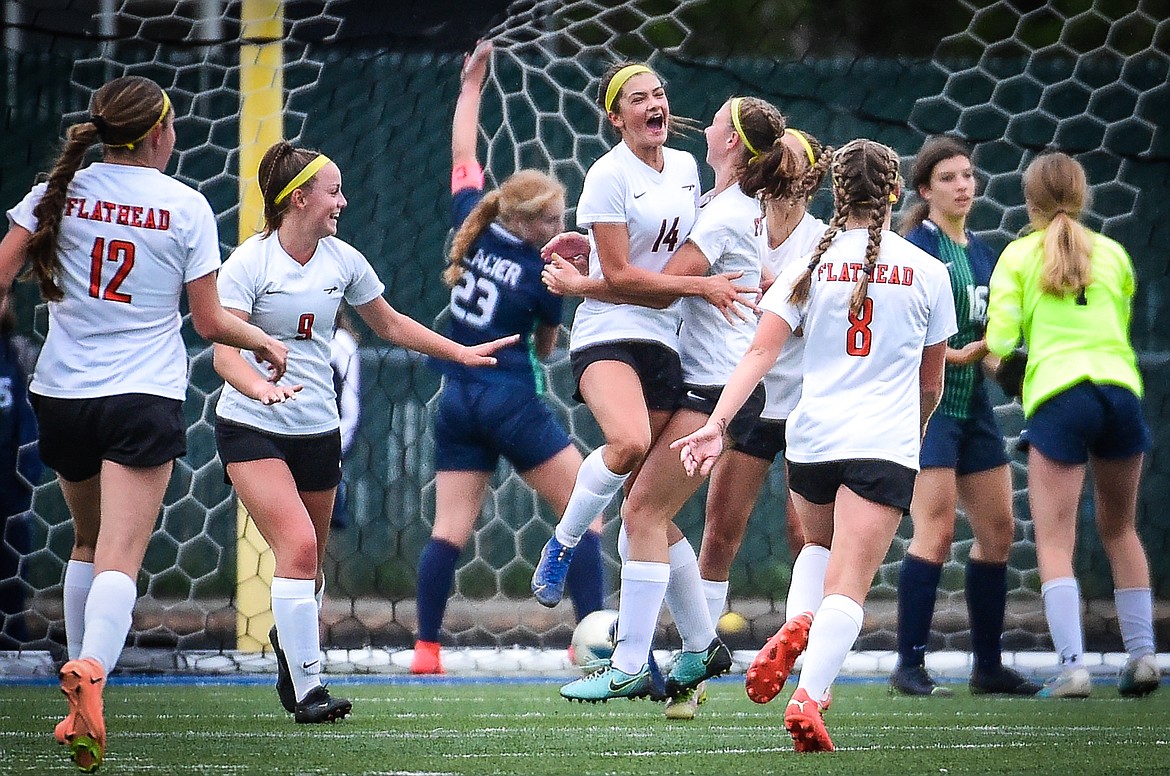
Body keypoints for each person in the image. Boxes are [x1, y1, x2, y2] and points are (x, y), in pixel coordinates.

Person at [0, 75, 289, 771]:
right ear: (158, 133)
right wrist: (264, 342)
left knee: (87, 541)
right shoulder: (186, 206)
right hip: (140, 396)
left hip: (61, 394)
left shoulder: (57, 193)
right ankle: (93, 669)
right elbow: (208, 321)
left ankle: (76, 693)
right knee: (120, 558)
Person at [213, 139, 515, 722]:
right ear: (299, 200)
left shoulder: (342, 260)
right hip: (252, 426)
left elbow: (392, 324)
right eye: (333, 192)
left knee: (311, 565)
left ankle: (292, 652)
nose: (342, 202)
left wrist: (461, 351)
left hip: (317, 432)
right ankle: (308, 690)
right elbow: (226, 358)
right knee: (297, 548)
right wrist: (262, 389)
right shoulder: (250, 264)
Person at [673, 138, 956, 752]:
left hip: (812, 439)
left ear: (835, 192)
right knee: (850, 585)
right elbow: (931, 382)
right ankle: (810, 694)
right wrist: (916, 433)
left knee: (817, 552)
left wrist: (718, 423)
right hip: (881, 441)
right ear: (895, 192)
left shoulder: (808, 266)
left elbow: (759, 352)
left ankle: (799, 620)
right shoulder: (930, 271)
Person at [546, 96, 787, 712]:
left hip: (716, 390)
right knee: (646, 511)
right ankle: (703, 645)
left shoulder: (724, 215)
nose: (701, 124)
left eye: (716, 119)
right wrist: (601, 251)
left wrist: (579, 285)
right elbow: (659, 269)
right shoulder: (726, 206)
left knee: (643, 515)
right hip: (708, 384)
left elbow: (651, 292)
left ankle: (628, 664)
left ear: (730, 141)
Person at [409, 41, 605, 675]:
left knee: (449, 529)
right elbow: (545, 346)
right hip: (509, 396)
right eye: (554, 218)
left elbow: (464, 155)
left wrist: (471, 89)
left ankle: (426, 649)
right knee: (586, 514)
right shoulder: (540, 270)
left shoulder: (473, 218)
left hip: (456, 398)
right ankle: (595, 645)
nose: (562, 224)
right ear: (532, 223)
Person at [985, 151, 1159, 699]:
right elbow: (1118, 324)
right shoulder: (1113, 253)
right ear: (1082, 196)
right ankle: (1144, 658)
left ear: (1029, 200)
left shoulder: (1018, 256)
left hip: (1060, 396)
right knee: (1121, 529)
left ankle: (1073, 668)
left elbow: (998, 345)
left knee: (1056, 540)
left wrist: (996, 364)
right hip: (1121, 392)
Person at [888, 136, 1040, 698]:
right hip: (928, 404)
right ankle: (908, 665)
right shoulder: (914, 248)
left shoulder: (981, 250)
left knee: (999, 530)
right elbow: (913, 343)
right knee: (936, 530)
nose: (963, 185)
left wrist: (1020, 372)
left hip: (972, 405)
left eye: (968, 176)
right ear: (924, 189)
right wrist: (974, 352)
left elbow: (990, 346)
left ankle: (988, 666)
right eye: (948, 177)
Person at [0, 294, 41, 648]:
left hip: (11, 486)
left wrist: (28, 472)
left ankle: (12, 641)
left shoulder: (18, 353)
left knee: (12, 568)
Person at [328, 306, 360, 530]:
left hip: (326, 442)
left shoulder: (342, 344)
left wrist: (336, 446)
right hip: (286, 438)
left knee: (326, 516)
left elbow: (350, 404)